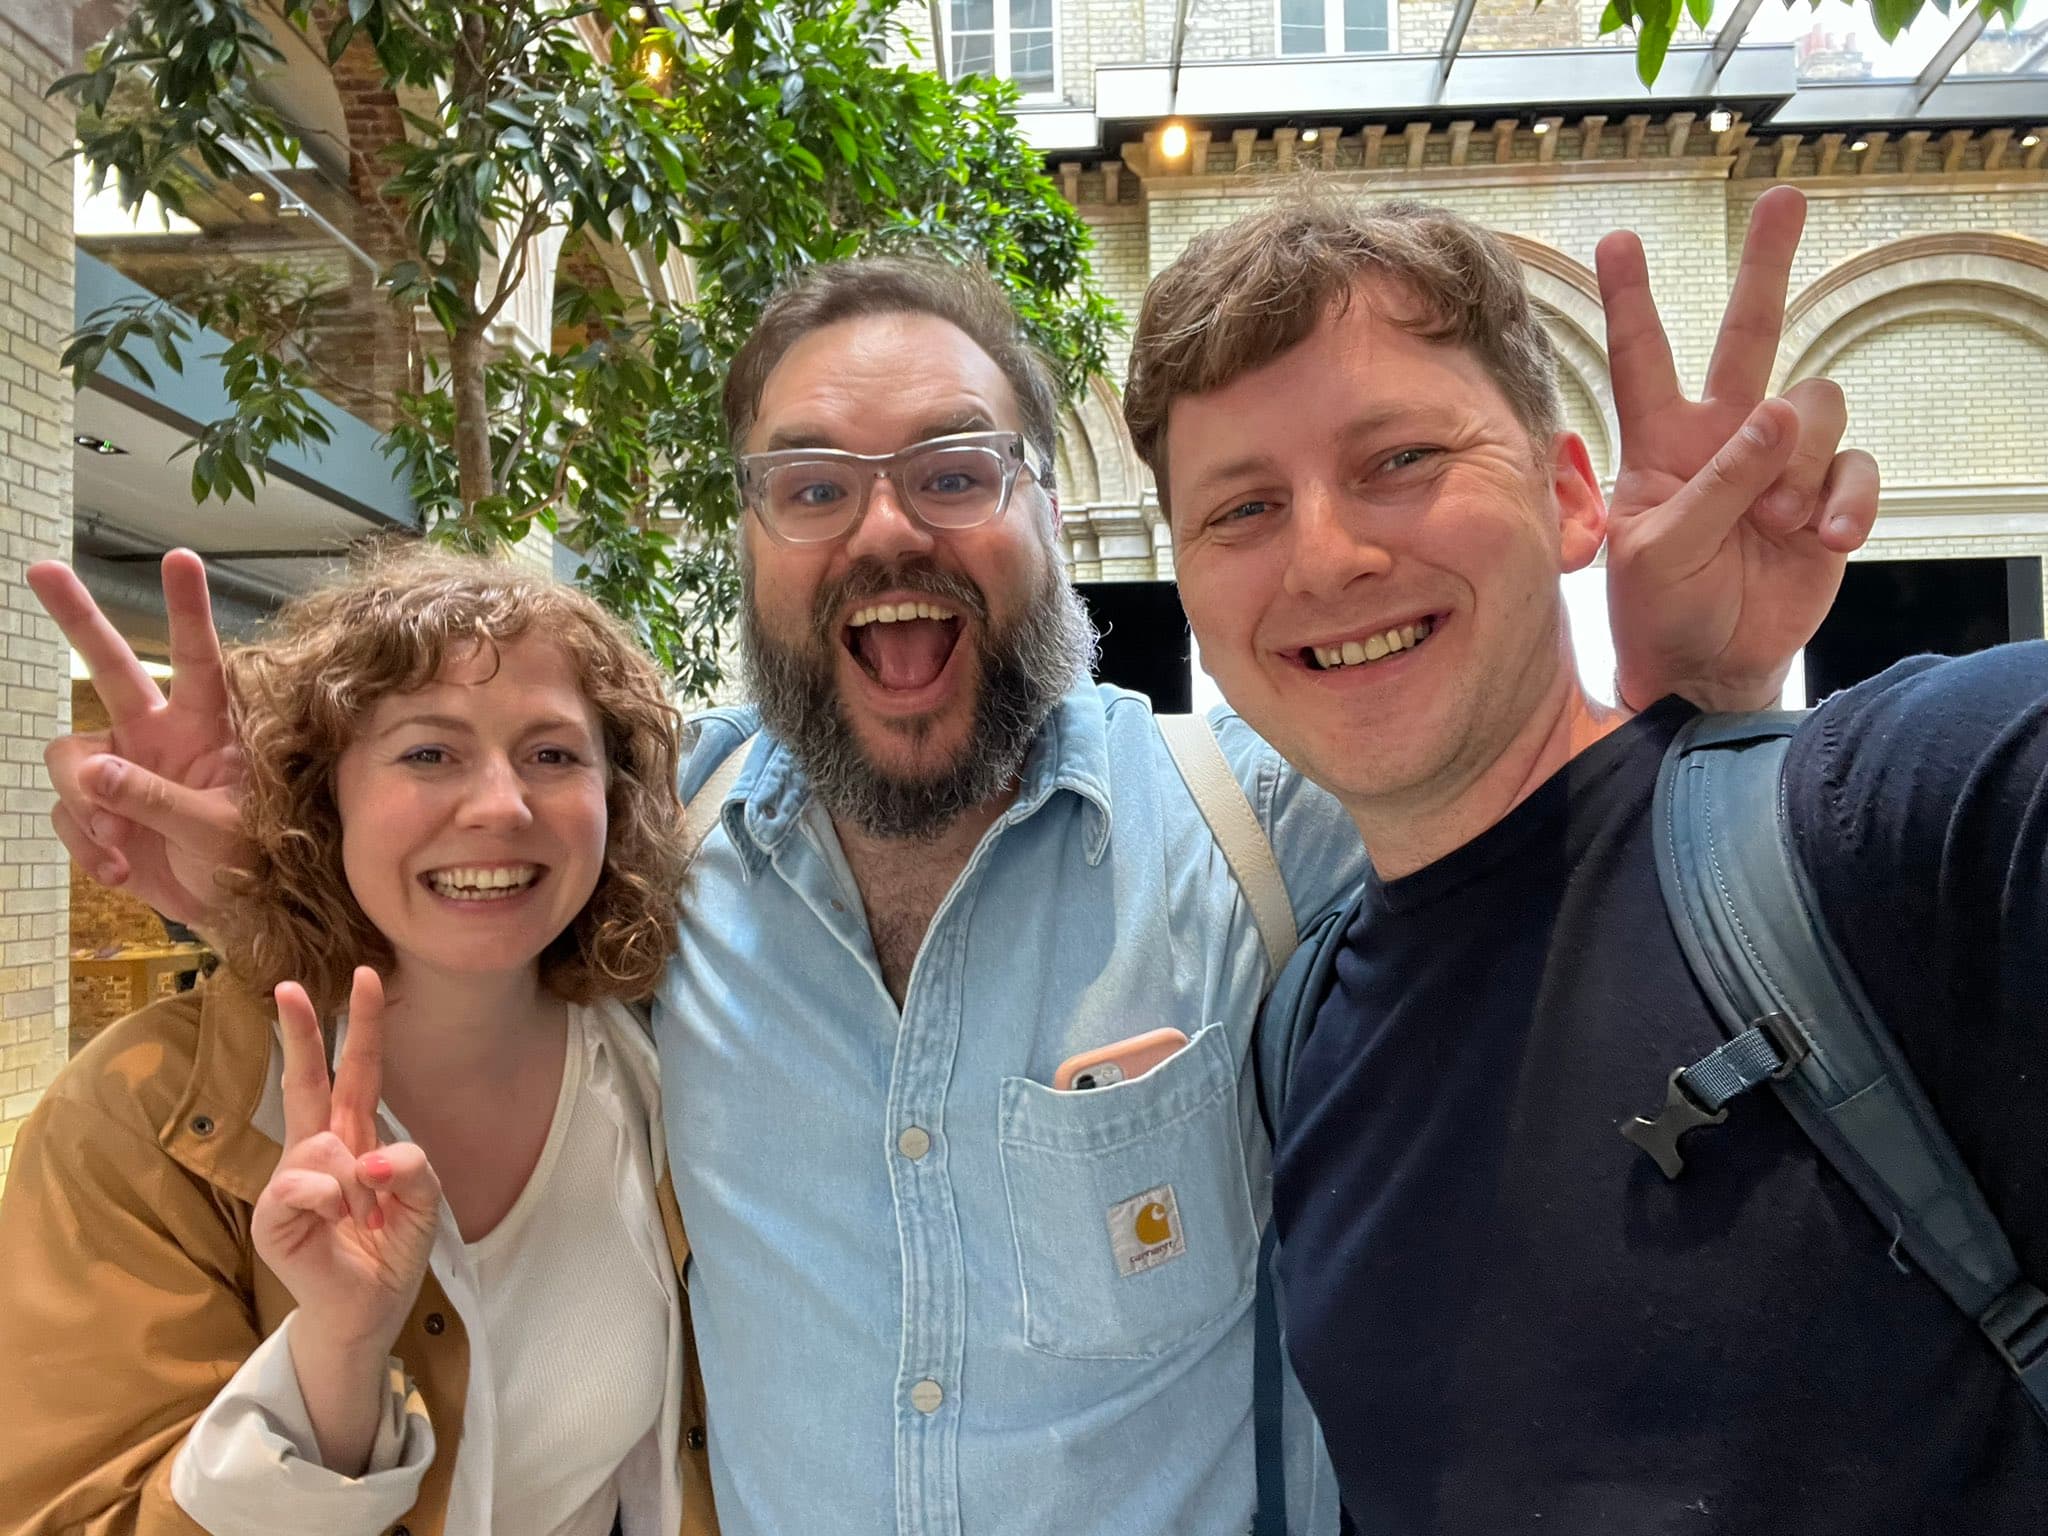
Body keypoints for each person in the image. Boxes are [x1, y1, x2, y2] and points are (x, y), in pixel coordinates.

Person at [27, 194, 1863, 1534]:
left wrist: (1699, 684)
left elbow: (1564, 902)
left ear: (1055, 515)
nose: (884, 527)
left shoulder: (1263, 826)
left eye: (956, 471)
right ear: (751, 541)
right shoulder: (651, 868)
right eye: (811, 484)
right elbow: (462, 927)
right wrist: (277, 866)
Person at [1129, 185, 2047, 1530]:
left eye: (1399, 460)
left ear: (1568, 498)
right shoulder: (1299, 1036)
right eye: (1242, 509)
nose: (1323, 557)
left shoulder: (1873, 829)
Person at [0, 549, 717, 1536]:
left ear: (617, 799)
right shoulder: (139, 1117)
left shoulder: (668, 1068)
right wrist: (332, 1363)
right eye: (428, 754)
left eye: (553, 755)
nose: (501, 805)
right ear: (322, 796)